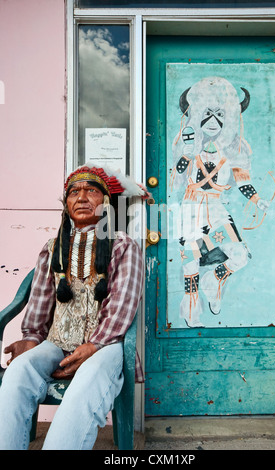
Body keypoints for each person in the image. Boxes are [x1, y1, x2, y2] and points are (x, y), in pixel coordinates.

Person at [0, 163, 148, 450]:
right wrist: (30, 339)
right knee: (19, 372)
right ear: (65, 204)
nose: (81, 197)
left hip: (106, 345)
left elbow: (122, 307)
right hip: (58, 342)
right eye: (74, 192)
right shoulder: (52, 248)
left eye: (91, 191)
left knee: (86, 383)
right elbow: (41, 304)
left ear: (105, 203)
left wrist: (93, 346)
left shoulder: (123, 246)